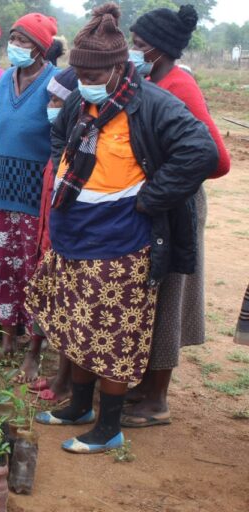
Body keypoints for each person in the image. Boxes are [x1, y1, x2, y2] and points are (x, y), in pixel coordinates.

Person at [28, 3, 217, 454]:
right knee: (76, 325)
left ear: (118, 68)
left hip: (123, 241)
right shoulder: (81, 98)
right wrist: (65, 167)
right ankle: (79, 406)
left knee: (111, 334)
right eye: (81, 76)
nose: (85, 85)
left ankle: (108, 427)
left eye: (94, 77)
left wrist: (149, 199)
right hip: (76, 234)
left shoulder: (153, 103)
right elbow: (58, 135)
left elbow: (202, 152)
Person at [121, 4, 231, 428]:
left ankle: (158, 399)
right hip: (159, 203)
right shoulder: (152, 79)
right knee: (152, 291)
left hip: (177, 205)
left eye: (140, 46)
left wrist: (161, 187)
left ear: (161, 49)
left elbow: (218, 159)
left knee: (169, 296)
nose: (133, 51)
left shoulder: (179, 86)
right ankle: (147, 385)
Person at [0, 12, 58, 368]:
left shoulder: (56, 84)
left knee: (34, 273)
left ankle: (35, 351)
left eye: (25, 41)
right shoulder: (7, 79)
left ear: (41, 48)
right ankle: (8, 338)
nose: (17, 46)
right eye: (14, 38)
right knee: (2, 269)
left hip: (33, 197)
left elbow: (58, 143)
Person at [26, 67, 79, 402]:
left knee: (70, 307)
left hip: (69, 242)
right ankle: (61, 375)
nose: (52, 106)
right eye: (51, 99)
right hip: (50, 237)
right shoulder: (58, 150)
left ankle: (66, 380)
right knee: (53, 301)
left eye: (59, 100)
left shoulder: (82, 143)